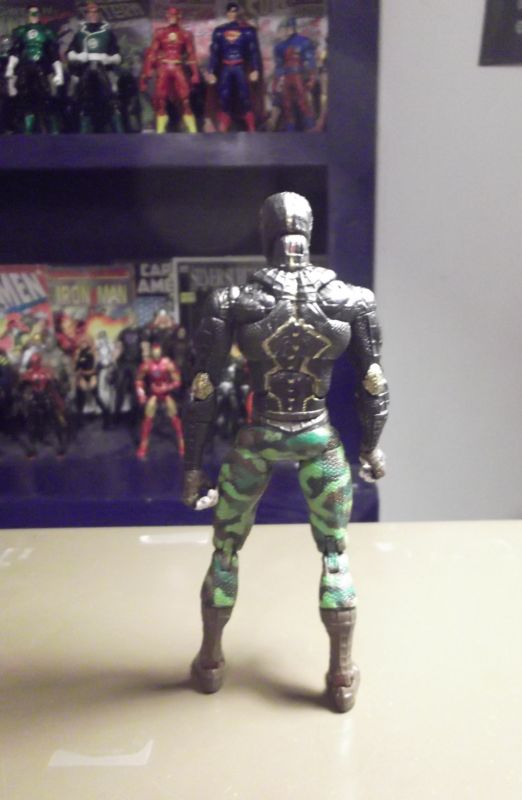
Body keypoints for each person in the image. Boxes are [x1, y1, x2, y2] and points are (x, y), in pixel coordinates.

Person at [182, 192, 389, 713]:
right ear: (309, 231)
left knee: (226, 550)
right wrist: (370, 447)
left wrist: (193, 468)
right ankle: (340, 676)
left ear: (265, 233)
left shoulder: (235, 301)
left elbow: (203, 387)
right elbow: (374, 381)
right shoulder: (350, 299)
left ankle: (210, 662)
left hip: (260, 436)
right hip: (317, 436)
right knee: (335, 553)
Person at [140, 6, 199, 134]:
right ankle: (160, 130)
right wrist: (147, 73)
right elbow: (152, 54)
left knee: (185, 99)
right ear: (167, 16)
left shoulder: (186, 34)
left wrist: (195, 73)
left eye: (174, 15)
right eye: (170, 15)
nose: (172, 17)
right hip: (164, 67)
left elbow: (191, 55)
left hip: (177, 66)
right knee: (161, 99)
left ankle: (192, 129)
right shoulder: (160, 32)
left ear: (179, 16)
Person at [5, 4, 63, 133]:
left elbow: (54, 54)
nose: (34, 16)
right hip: (25, 69)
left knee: (48, 98)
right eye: (31, 13)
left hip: (43, 68)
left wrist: (59, 73)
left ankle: (54, 132)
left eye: (36, 13)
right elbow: (15, 52)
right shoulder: (21, 31)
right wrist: (10, 68)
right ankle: (24, 130)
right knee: (23, 99)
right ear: (27, 15)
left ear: (40, 14)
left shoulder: (47, 31)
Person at [66, 2, 123, 133]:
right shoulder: (80, 33)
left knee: (112, 96)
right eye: (90, 12)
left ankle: (119, 133)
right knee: (76, 95)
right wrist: (78, 56)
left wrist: (109, 59)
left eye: (95, 12)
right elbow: (69, 53)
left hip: (104, 69)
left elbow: (118, 56)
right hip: (84, 69)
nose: (93, 15)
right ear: (86, 14)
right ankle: (80, 130)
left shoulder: (107, 32)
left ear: (99, 14)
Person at [207, 1, 260, 132]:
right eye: (230, 12)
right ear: (227, 13)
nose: (232, 14)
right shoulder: (219, 31)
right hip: (226, 67)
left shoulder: (247, 31)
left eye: (235, 11)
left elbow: (253, 51)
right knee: (224, 95)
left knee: (244, 95)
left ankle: (250, 124)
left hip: (239, 66)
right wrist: (211, 71)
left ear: (238, 13)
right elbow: (215, 52)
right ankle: (225, 120)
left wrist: (255, 69)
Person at [135, 342, 184, 458]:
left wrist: (167, 387)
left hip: (165, 392)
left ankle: (182, 441)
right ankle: (144, 443)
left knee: (174, 416)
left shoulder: (167, 364)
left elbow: (178, 381)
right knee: (148, 417)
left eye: (158, 353)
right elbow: (138, 380)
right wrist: (141, 395)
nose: (156, 355)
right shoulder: (147, 365)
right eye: (154, 353)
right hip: (154, 393)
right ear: (152, 353)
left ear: (161, 353)